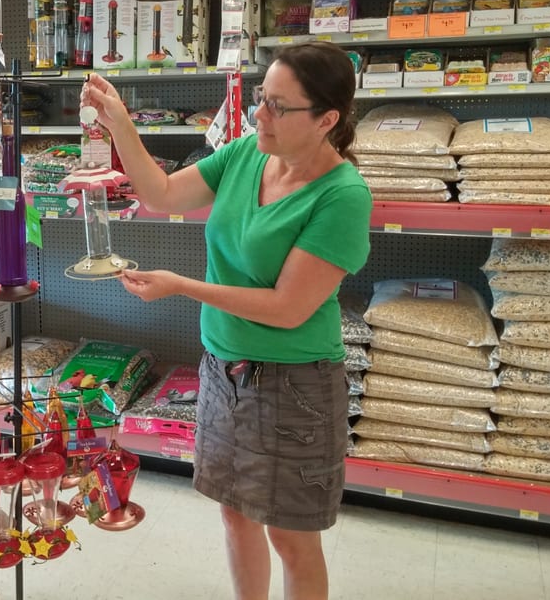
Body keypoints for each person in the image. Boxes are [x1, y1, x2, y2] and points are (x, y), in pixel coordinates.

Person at [80, 41, 372, 600]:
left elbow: (288, 308)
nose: (259, 114)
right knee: (235, 515)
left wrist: (182, 286)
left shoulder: (342, 196)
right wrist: (119, 123)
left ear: (326, 120)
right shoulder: (244, 155)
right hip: (222, 371)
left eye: (278, 107)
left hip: (294, 386)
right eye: (262, 98)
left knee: (292, 539)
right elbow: (162, 194)